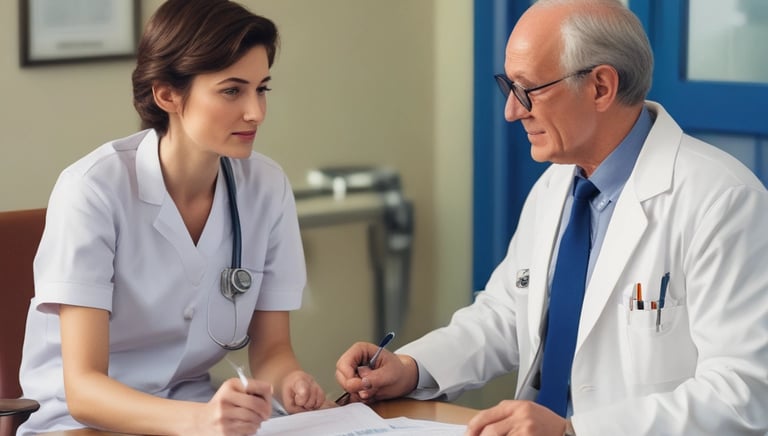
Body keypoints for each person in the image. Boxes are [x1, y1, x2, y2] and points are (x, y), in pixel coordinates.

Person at [336, 0, 768, 434]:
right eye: (508, 87)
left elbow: (743, 393)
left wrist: (574, 431)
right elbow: (508, 312)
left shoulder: (722, 201)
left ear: (600, 87)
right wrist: (412, 368)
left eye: (528, 90)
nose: (511, 111)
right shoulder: (557, 184)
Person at [18, 0, 327, 434]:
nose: (256, 112)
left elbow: (273, 350)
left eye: (262, 88)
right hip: (79, 422)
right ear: (168, 94)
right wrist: (200, 421)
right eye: (232, 90)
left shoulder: (266, 187)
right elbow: (84, 390)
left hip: (193, 402)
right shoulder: (93, 189)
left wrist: (291, 383)